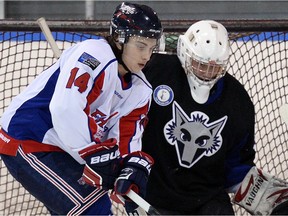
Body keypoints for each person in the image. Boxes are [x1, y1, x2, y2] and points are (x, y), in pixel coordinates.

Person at [0, 2, 162, 215]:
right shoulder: (94, 54)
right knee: (94, 209)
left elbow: (126, 139)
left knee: (89, 205)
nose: (146, 56)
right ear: (120, 40)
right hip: (29, 138)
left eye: (151, 48)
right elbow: (65, 109)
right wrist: (96, 156)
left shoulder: (140, 90)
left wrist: (128, 169)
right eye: (141, 46)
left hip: (64, 150)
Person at [142, 20, 288, 215]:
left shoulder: (237, 101)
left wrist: (265, 194)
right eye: (200, 64)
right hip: (154, 195)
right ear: (185, 54)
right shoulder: (155, 74)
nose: (206, 73)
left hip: (207, 197)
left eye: (214, 68)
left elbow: (235, 164)